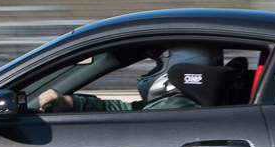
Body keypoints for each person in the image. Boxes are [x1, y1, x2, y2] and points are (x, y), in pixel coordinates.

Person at [39, 44, 223, 112]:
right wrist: (71, 103)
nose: (152, 71)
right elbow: (128, 109)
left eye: (158, 65)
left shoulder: (177, 110)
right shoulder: (175, 104)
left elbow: (126, 121)